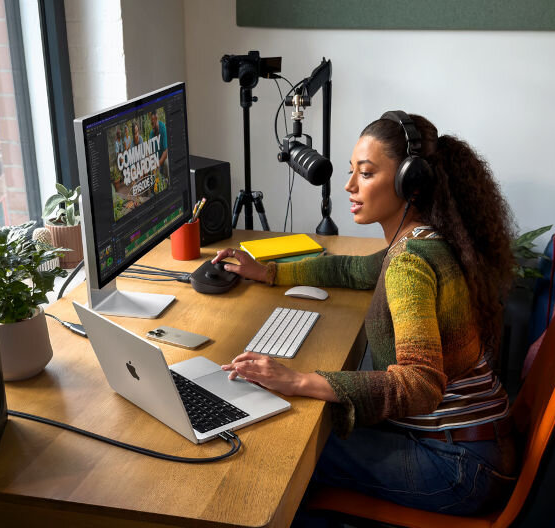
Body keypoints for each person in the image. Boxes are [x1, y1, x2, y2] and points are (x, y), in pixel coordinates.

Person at [213, 111, 518, 516]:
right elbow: (351, 268)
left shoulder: (411, 262)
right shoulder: (424, 239)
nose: (349, 186)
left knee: (286, 455)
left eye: (366, 173)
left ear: (410, 182)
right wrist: (269, 271)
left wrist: (298, 378)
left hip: (460, 465)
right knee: (303, 427)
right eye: (351, 171)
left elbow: (420, 385)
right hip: (477, 444)